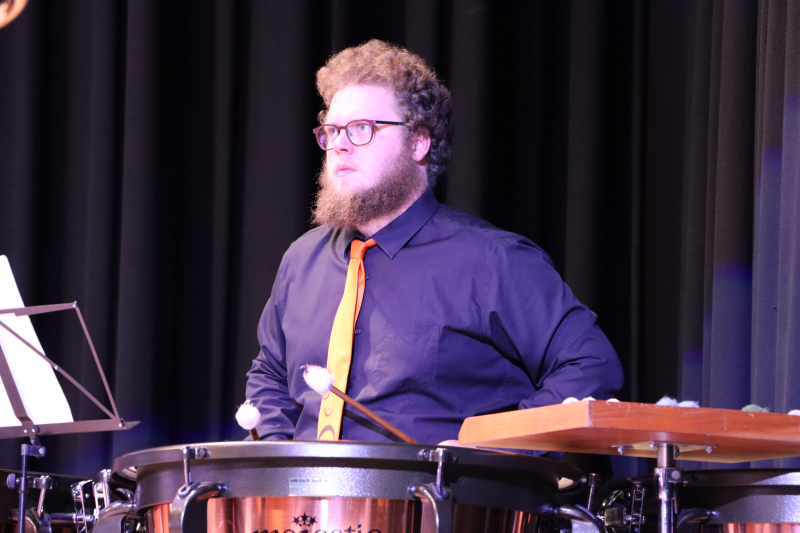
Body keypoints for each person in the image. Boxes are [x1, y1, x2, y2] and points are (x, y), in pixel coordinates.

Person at [245, 39, 624, 446]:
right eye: (332, 131)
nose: (339, 145)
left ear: (418, 143)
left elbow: (590, 365)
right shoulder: (303, 259)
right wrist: (274, 460)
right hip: (307, 487)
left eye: (361, 129)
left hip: (440, 486)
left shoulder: (493, 261)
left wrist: (491, 450)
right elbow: (270, 373)